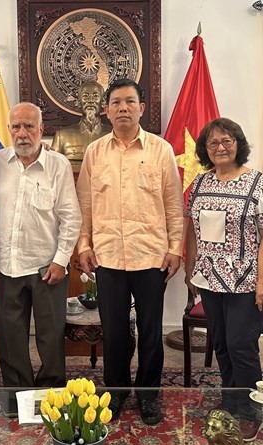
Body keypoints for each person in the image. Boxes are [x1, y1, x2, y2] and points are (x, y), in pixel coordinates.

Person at [76, 79, 184, 425]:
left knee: (151, 331)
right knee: (115, 331)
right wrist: (84, 246)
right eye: (116, 102)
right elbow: (85, 206)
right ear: (106, 110)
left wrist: (175, 249)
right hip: (107, 256)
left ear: (141, 108)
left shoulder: (160, 150)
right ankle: (117, 392)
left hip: (151, 255)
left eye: (130, 102)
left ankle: (149, 395)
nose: (123, 108)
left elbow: (173, 205)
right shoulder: (95, 152)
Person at [184, 117, 263, 442]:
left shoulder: (259, 183)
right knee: (221, 344)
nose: (220, 147)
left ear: (238, 144)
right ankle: (230, 400)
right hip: (211, 279)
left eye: (227, 140)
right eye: (213, 143)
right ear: (205, 150)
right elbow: (194, 231)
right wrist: (191, 271)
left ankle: (251, 412)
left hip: (248, 280)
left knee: (241, 345)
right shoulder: (200, 183)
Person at [0, 102, 81, 403]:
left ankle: (51, 393)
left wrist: (61, 261)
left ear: (42, 130)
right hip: (8, 264)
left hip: (47, 267)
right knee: (12, 337)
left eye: (29, 126)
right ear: (9, 130)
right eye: (16, 126)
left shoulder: (59, 165)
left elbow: (71, 216)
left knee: (50, 336)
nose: (22, 133)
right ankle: (18, 395)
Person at [51, 81, 112, 170]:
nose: (90, 100)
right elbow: (53, 170)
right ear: (78, 102)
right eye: (85, 96)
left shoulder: (113, 134)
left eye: (95, 96)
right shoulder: (62, 136)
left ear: (103, 102)